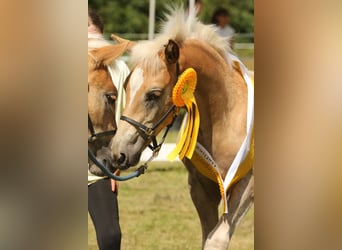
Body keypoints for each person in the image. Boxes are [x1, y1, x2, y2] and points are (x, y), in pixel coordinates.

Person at [88, 8, 129, 250]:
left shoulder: (118, 69)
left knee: (110, 236)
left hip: (96, 165)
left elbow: (122, 118)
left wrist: (114, 166)